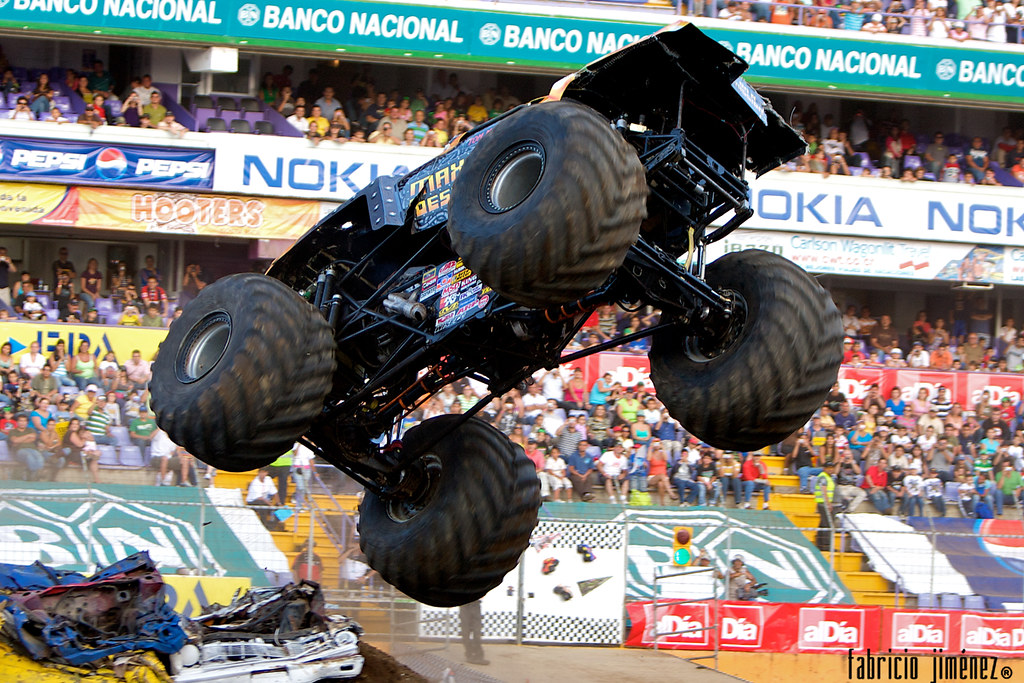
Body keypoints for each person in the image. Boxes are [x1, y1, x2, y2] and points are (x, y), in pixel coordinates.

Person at [814, 460, 837, 551]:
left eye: (832, 468)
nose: (831, 470)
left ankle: (820, 543)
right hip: (823, 503)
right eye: (829, 468)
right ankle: (827, 545)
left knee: (823, 524)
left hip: (823, 503)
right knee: (827, 524)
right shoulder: (823, 477)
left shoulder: (828, 477)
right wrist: (828, 503)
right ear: (824, 469)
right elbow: (824, 490)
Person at [460, 599, 488, 665]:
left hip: (473, 604)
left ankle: (476, 656)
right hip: (466, 604)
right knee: (466, 632)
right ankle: (471, 655)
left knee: (475, 631)